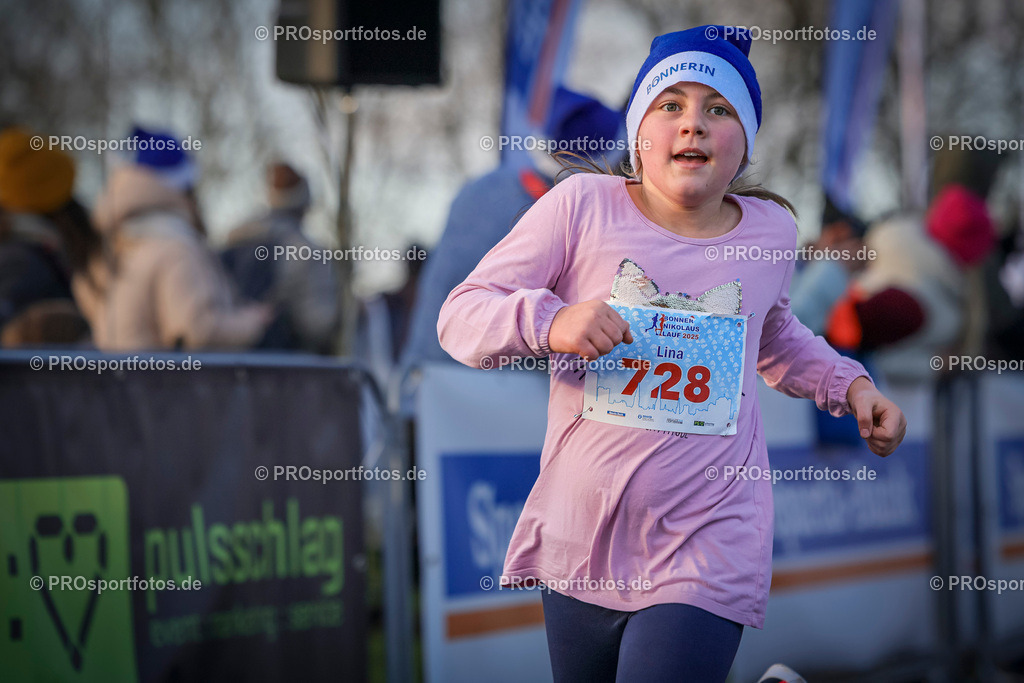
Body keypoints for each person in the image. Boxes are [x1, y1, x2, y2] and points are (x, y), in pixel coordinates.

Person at [438, 26, 906, 682]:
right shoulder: (580, 208)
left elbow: (775, 338)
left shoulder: (769, 233)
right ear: (638, 133)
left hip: (710, 537)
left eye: (719, 110)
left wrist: (851, 385)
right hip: (585, 538)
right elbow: (460, 316)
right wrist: (553, 321)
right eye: (671, 105)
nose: (694, 124)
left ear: (743, 144)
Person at [83, 136, 271, 351]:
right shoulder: (175, 247)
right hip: (162, 383)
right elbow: (196, 332)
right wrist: (253, 322)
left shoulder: (111, 243)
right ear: (182, 188)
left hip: (120, 380)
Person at [220, 162, 340, 353]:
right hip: (286, 370)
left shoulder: (232, 240)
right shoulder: (305, 251)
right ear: (304, 202)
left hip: (226, 364)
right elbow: (319, 324)